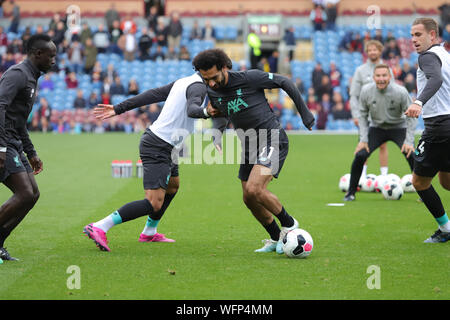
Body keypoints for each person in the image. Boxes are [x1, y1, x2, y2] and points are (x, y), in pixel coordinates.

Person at [192, 49, 315, 254]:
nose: (211, 83)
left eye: (214, 78)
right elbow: (219, 112)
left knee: (254, 188)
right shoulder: (211, 90)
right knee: (248, 198)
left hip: (272, 138)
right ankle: (276, 238)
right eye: (206, 80)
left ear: (224, 68)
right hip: (249, 145)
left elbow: (284, 81)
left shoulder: (250, 78)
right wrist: (217, 133)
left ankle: (289, 223)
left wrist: (304, 112)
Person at [83, 72, 214, 252]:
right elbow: (192, 109)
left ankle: (149, 232)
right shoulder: (197, 86)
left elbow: (152, 95)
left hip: (170, 145)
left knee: (173, 186)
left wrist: (119, 108)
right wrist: (206, 112)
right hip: (159, 145)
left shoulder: (184, 81)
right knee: (153, 202)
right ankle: (100, 226)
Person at [0, 34, 56, 262]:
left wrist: (31, 152)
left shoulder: (32, 78)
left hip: (14, 141)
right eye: (51, 56)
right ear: (37, 54)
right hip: (4, 142)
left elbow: (20, 120)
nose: (54, 60)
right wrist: (1, 148)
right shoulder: (18, 74)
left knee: (32, 194)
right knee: (24, 193)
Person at [404, 18, 450, 243]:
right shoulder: (445, 55)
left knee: (419, 182)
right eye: (412, 35)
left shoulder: (428, 57)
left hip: (439, 128)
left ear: (433, 35)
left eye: (418, 35)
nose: (413, 40)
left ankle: (446, 229)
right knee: (446, 181)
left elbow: (436, 79)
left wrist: (418, 102)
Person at [343, 64, 417, 201]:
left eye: (384, 75)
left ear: (390, 77)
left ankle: (424, 193)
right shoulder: (366, 91)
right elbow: (363, 116)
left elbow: (411, 116)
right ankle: (350, 193)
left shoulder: (400, 91)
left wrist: (409, 141)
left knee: (413, 154)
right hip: (377, 128)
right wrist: (363, 139)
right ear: (373, 77)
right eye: (378, 76)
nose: (381, 79)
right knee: (360, 155)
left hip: (398, 127)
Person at [350, 40, 392, 179]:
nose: (373, 52)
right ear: (367, 52)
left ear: (380, 51)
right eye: (370, 50)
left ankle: (384, 176)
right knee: (363, 144)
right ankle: (362, 176)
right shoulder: (360, 70)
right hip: (365, 115)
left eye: (375, 50)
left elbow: (393, 92)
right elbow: (354, 95)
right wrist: (355, 114)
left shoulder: (387, 69)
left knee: (383, 145)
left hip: (383, 114)